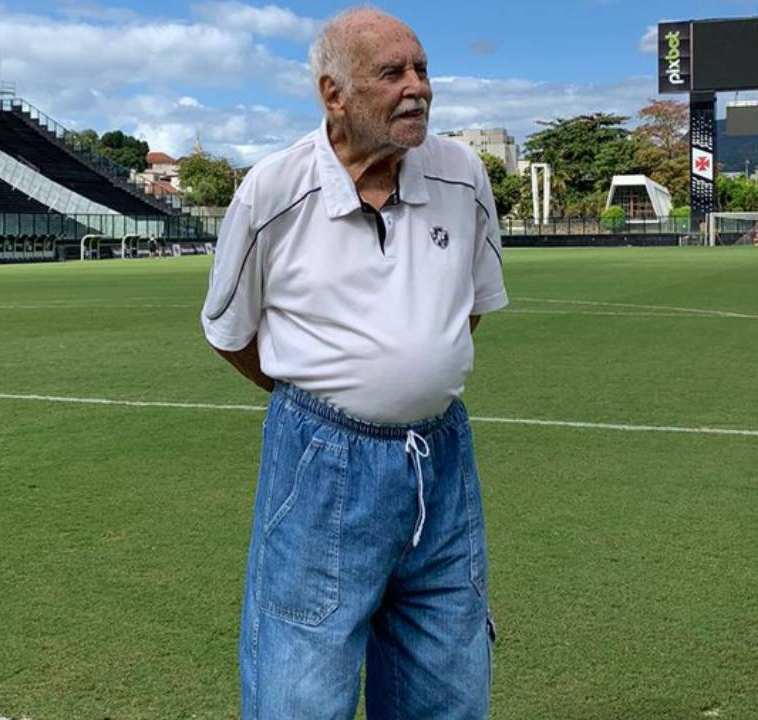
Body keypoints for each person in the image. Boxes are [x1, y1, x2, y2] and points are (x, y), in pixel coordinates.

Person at [199, 7, 507, 719]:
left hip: (442, 458)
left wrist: (410, 371)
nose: (418, 88)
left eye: (423, 69)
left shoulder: (463, 175)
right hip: (320, 461)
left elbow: (471, 306)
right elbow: (229, 331)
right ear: (333, 94)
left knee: (449, 679)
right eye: (392, 73)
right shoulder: (273, 192)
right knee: (299, 689)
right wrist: (326, 405)